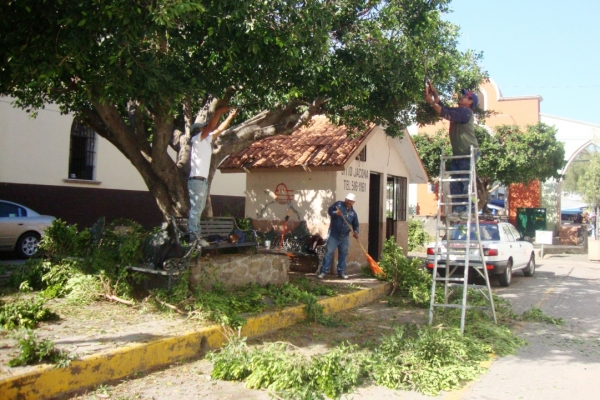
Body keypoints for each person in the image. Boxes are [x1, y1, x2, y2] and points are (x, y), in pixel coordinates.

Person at [425, 81, 479, 217]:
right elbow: (445, 109)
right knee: (455, 181)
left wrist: (431, 102)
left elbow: (444, 112)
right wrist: (435, 95)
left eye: (465, 97)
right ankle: (458, 209)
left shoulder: (466, 112)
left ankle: (468, 208)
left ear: (470, 102)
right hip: (459, 154)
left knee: (464, 180)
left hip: (468, 152)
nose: (461, 97)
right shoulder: (459, 111)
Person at [188, 107, 238, 242]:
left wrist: (230, 117)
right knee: (196, 209)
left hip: (201, 181)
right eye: (202, 127)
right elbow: (212, 126)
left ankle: (195, 235)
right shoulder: (197, 139)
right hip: (197, 180)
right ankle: (194, 237)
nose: (205, 128)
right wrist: (220, 112)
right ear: (197, 131)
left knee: (199, 208)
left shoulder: (206, 140)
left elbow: (219, 129)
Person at [318, 193, 359, 280]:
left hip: (345, 237)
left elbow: (356, 225)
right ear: (345, 199)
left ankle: (341, 272)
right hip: (333, 235)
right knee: (328, 253)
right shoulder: (338, 204)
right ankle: (323, 272)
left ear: (353, 202)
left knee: (344, 254)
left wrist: (356, 232)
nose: (348, 202)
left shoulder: (353, 213)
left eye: (350, 201)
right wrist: (335, 213)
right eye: (347, 200)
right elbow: (330, 211)